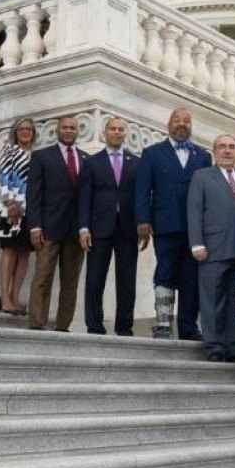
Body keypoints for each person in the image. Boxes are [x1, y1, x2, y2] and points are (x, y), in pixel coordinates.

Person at [135, 108, 212, 340]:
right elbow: (142, 189)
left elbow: (208, 193)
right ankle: (163, 324)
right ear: (168, 124)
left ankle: (189, 327)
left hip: (195, 228)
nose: (182, 124)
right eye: (177, 120)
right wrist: (143, 219)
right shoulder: (152, 153)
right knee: (165, 271)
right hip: (165, 224)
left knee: (191, 277)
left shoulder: (203, 156)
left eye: (186, 121)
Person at [187, 134, 235, 362]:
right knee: (212, 298)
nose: (227, 151)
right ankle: (214, 344)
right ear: (214, 151)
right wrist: (196, 242)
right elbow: (194, 211)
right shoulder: (202, 177)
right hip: (212, 248)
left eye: (232, 147)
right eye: (222, 147)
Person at [78, 117, 140, 335]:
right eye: (112, 129)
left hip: (128, 229)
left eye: (120, 129)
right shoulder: (92, 162)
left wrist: (143, 225)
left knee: (127, 281)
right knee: (95, 278)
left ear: (125, 134)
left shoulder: (137, 162)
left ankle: (124, 327)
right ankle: (94, 325)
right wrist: (83, 227)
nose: (116, 132)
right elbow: (84, 197)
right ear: (105, 133)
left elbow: (141, 197)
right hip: (98, 229)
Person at [26, 114, 89, 329]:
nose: (69, 130)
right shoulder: (42, 156)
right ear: (57, 130)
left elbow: (86, 198)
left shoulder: (86, 159)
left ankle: (63, 326)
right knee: (43, 277)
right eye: (65, 127)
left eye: (73, 127)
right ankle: (37, 322)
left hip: (75, 232)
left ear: (77, 130)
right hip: (48, 228)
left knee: (70, 283)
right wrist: (35, 225)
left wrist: (85, 227)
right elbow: (33, 194)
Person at [0, 116, 34, 314]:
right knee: (9, 251)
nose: (25, 132)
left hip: (29, 209)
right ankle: (4, 297)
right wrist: (10, 204)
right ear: (15, 132)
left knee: (24, 252)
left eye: (29, 129)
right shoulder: (9, 150)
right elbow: (3, 177)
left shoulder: (35, 155)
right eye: (21, 129)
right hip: (9, 207)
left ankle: (15, 296)